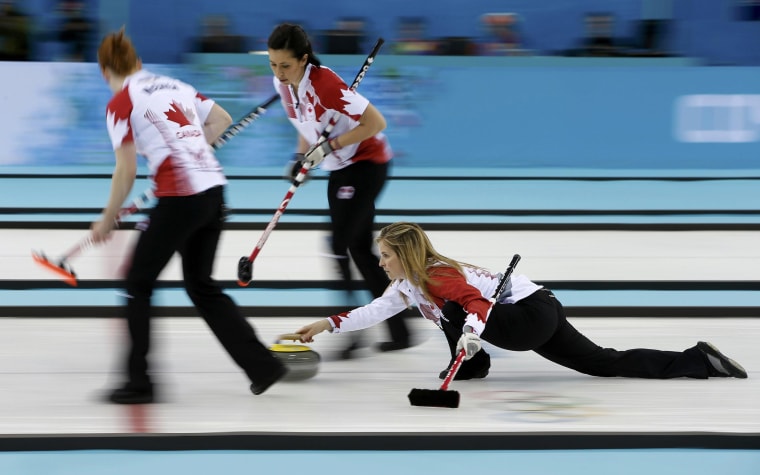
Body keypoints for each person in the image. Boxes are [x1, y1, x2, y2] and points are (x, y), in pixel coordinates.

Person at [92, 28, 287, 404]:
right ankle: (263, 365)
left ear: (106, 71)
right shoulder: (172, 85)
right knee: (201, 286)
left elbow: (125, 170)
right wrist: (195, 145)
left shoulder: (121, 102)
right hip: (213, 192)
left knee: (137, 283)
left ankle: (140, 382)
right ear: (138, 62)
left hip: (180, 198)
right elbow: (221, 119)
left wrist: (107, 217)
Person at [293, 222, 748, 382]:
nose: (381, 262)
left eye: (386, 255)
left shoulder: (438, 275)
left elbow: (475, 308)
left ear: (405, 255)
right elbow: (373, 311)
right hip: (538, 308)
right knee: (604, 363)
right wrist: (325, 325)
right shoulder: (408, 285)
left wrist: (471, 336)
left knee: (455, 312)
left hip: (526, 316)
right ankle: (699, 361)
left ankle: (473, 366)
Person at [266, 23, 412, 357]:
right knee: (359, 250)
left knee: (337, 245)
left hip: (366, 163)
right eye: (273, 64)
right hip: (341, 166)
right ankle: (400, 328)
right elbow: (306, 127)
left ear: (304, 59)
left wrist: (329, 147)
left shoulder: (327, 84)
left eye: (285, 65)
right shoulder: (284, 84)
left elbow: (376, 123)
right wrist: (299, 158)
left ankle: (350, 330)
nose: (279, 72)